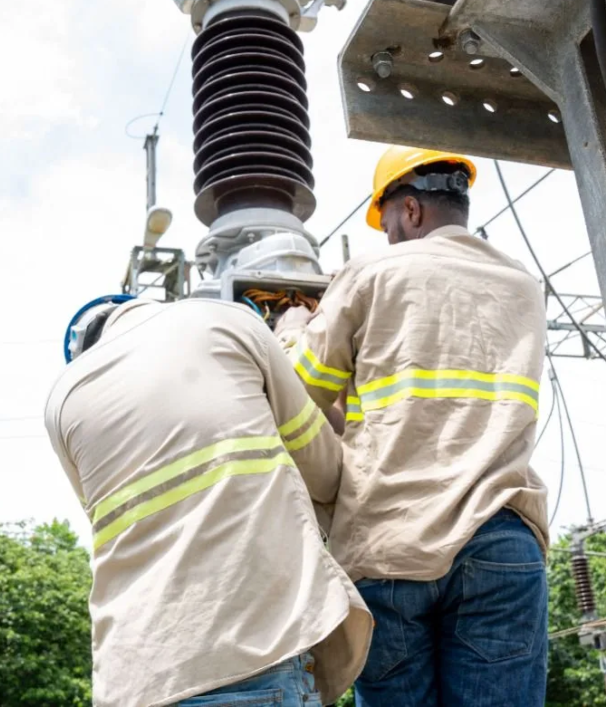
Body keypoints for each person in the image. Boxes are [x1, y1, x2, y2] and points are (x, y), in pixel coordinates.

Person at [276, 146, 550, 707]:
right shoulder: (523, 286)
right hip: (501, 539)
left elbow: (297, 397)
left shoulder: (371, 274)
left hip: (390, 546)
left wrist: (290, 330)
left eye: (390, 224)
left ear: (412, 210)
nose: (391, 237)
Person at [45, 295, 372, 707]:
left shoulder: (62, 401)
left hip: (132, 682)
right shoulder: (226, 322)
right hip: (252, 655)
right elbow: (324, 468)